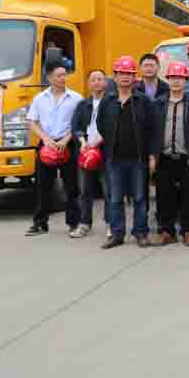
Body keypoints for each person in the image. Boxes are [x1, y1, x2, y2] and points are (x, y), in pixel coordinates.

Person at [98, 56, 159, 249]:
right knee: (115, 199)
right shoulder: (107, 101)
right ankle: (117, 234)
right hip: (114, 159)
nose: (125, 77)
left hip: (138, 159)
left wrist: (152, 155)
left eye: (129, 74)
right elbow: (101, 125)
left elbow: (153, 130)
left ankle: (141, 233)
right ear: (115, 77)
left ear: (134, 77)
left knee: (140, 198)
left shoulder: (143, 101)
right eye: (121, 73)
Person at [25, 58, 82, 236]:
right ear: (49, 78)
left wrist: (66, 139)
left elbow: (80, 123)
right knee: (43, 186)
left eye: (64, 75)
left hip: (68, 143)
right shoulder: (40, 98)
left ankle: (74, 223)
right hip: (46, 144)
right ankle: (40, 223)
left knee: (71, 186)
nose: (63, 78)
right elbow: (32, 121)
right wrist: (46, 139)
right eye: (59, 75)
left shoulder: (76, 98)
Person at [153, 61, 189, 247]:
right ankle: (167, 231)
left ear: (186, 80)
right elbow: (152, 131)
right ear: (168, 80)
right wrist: (152, 155)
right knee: (164, 195)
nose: (176, 81)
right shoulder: (158, 103)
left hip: (188, 158)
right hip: (164, 157)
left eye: (180, 78)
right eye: (173, 78)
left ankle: (188, 232)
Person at [70, 69, 109, 238]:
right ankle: (85, 224)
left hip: (106, 152)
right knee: (85, 191)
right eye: (93, 79)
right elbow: (75, 126)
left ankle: (111, 223)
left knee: (109, 191)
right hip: (86, 151)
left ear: (105, 82)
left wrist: (97, 142)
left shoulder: (112, 103)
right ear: (88, 84)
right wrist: (82, 141)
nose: (96, 82)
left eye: (100, 79)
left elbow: (113, 126)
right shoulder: (82, 105)